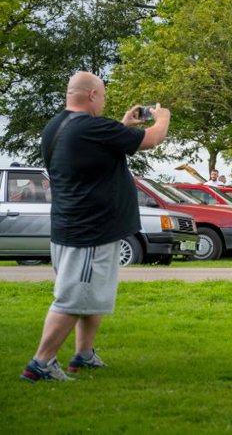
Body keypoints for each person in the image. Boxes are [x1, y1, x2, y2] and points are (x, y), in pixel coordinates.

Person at [22, 71, 170, 382]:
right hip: (89, 231)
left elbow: (97, 147)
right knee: (74, 297)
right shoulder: (92, 127)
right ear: (92, 95)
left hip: (74, 226)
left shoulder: (57, 126)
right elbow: (152, 139)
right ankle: (41, 363)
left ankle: (84, 354)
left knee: (93, 296)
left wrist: (124, 125)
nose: (102, 102)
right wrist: (162, 117)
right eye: (102, 96)